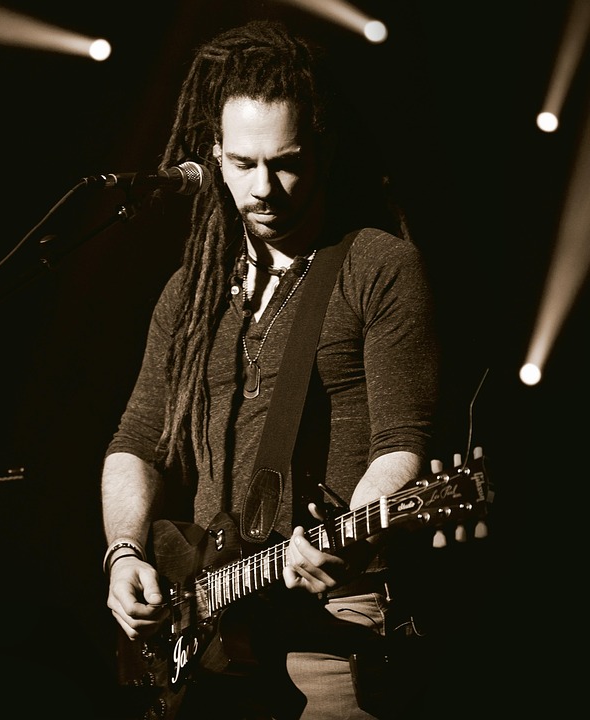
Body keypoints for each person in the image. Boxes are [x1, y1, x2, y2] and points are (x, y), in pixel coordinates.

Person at [100, 19, 441, 720]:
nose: (265, 188)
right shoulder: (191, 293)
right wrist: (125, 554)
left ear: (320, 149)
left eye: (286, 162)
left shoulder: (378, 266)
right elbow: (135, 439)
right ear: (214, 158)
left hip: (331, 616)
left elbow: (403, 439)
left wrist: (348, 532)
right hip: (209, 627)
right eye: (243, 165)